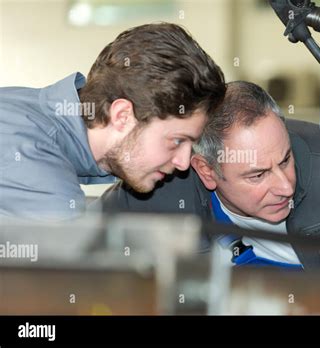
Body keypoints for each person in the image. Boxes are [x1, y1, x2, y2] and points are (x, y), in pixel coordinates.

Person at [100, 81, 320, 271]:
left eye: (286, 159)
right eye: (257, 175)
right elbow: (83, 247)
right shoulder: (154, 191)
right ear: (206, 170)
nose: (285, 186)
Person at [0, 23, 225, 221]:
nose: (184, 163)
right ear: (122, 116)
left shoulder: (26, 114)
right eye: (176, 141)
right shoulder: (35, 161)